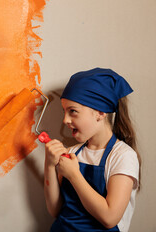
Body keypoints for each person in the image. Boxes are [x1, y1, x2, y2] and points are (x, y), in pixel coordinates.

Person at [43, 68, 140, 232]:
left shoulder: (123, 156)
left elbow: (109, 218)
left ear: (100, 113)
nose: (65, 120)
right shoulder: (73, 152)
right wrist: (50, 165)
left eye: (73, 111)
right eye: (64, 111)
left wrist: (74, 175)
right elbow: (55, 210)